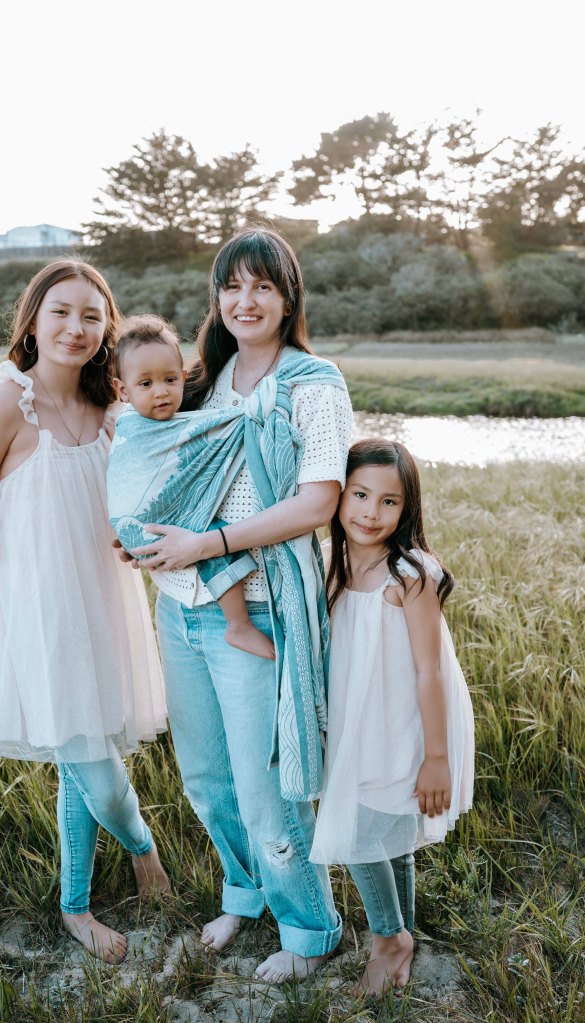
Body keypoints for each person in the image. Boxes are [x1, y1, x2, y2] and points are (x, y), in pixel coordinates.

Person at [120, 227, 354, 983]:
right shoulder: (201, 381)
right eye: (231, 286)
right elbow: (157, 466)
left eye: (262, 286)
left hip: (257, 604)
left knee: (264, 784)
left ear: (288, 298)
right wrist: (143, 537)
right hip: (180, 604)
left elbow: (317, 502)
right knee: (207, 778)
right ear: (215, 298)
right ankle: (244, 894)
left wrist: (209, 542)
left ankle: (309, 928)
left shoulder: (313, 382)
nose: (244, 301)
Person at [0, 259, 170, 965]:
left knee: (83, 750)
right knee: (95, 768)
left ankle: (75, 906)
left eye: (91, 316)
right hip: (35, 618)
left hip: (103, 605)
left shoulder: (115, 411)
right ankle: (146, 851)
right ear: (33, 321)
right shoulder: (7, 405)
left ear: (107, 329)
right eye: (61, 312)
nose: (76, 327)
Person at [310, 438, 475, 995]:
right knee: (380, 819)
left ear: (407, 509)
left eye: (389, 501)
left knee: (359, 824)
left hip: (404, 720)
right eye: (360, 494)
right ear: (338, 494)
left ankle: (388, 938)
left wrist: (436, 758)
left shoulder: (409, 573)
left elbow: (430, 671)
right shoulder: (329, 562)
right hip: (357, 717)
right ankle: (402, 930)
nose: (370, 512)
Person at [109, 313, 274, 660]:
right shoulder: (132, 426)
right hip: (144, 529)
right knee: (215, 540)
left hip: (141, 532)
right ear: (122, 390)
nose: (160, 392)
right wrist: (246, 415)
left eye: (170, 380)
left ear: (184, 378)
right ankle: (238, 625)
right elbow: (130, 479)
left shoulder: (179, 419)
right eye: (145, 384)